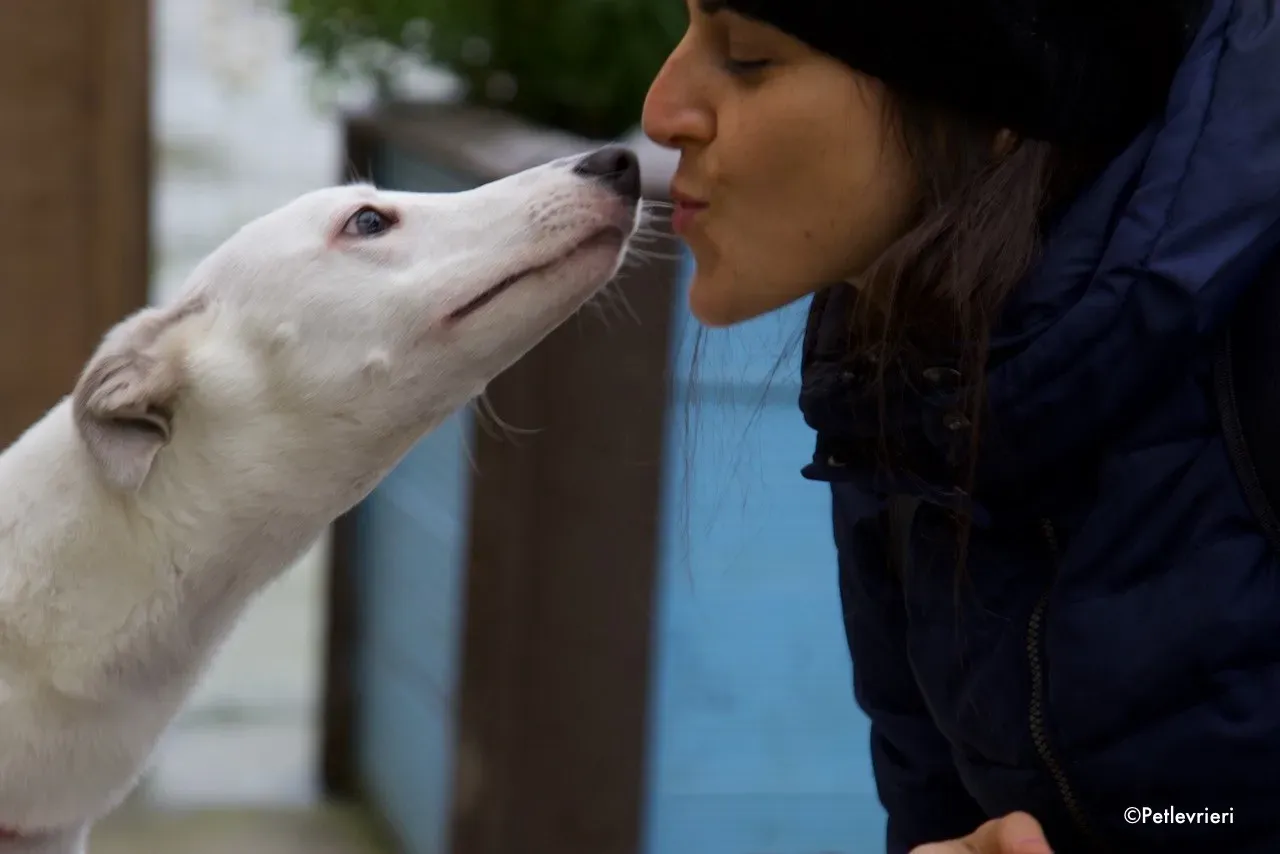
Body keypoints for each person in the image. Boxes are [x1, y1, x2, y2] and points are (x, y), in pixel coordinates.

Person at [641, 1, 1280, 852]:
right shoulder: (902, 396)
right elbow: (941, 809)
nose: (661, 112)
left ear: (997, 107)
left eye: (750, 56)